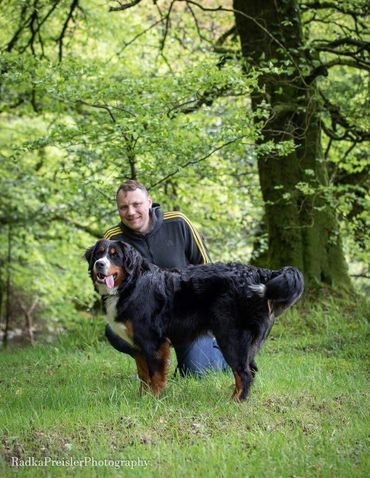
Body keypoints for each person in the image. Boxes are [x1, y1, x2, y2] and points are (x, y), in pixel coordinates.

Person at [103, 179, 228, 377]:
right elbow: (110, 287)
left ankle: (222, 352)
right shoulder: (114, 238)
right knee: (113, 330)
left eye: (137, 204)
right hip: (146, 318)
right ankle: (149, 363)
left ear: (149, 202)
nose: (131, 212)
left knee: (198, 373)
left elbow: (208, 271)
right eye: (124, 207)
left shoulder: (178, 222)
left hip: (189, 316)